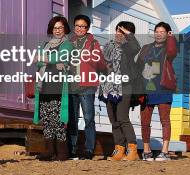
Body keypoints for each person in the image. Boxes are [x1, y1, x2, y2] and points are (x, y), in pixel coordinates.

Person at [33, 16, 75, 161]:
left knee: (58, 119)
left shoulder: (68, 44)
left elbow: (61, 56)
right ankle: (49, 150)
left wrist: (44, 58)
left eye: (60, 28)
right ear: (51, 29)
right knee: (47, 118)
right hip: (44, 83)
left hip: (58, 84)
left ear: (65, 29)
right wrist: (43, 60)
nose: (57, 30)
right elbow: (38, 64)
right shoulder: (45, 44)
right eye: (55, 28)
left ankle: (62, 152)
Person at [100, 21, 141, 161]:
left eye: (122, 32)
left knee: (123, 118)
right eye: (118, 30)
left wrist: (128, 34)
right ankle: (119, 149)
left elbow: (136, 47)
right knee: (114, 120)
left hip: (124, 86)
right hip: (109, 87)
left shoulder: (128, 48)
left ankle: (133, 150)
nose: (119, 33)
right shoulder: (108, 47)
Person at [67, 14, 106, 160]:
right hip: (71, 85)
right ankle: (71, 150)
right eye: (77, 26)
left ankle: (89, 150)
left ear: (87, 28)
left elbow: (101, 63)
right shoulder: (69, 42)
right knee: (72, 119)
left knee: (89, 118)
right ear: (74, 27)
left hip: (87, 85)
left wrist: (88, 58)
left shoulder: (93, 43)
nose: (80, 28)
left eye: (83, 26)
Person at [138, 22, 178, 161]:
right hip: (146, 88)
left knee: (164, 120)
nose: (159, 34)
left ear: (167, 34)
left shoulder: (170, 47)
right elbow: (138, 65)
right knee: (144, 121)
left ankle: (165, 151)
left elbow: (172, 53)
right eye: (157, 31)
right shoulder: (146, 48)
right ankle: (147, 150)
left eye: (162, 32)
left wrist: (172, 38)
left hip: (163, 88)